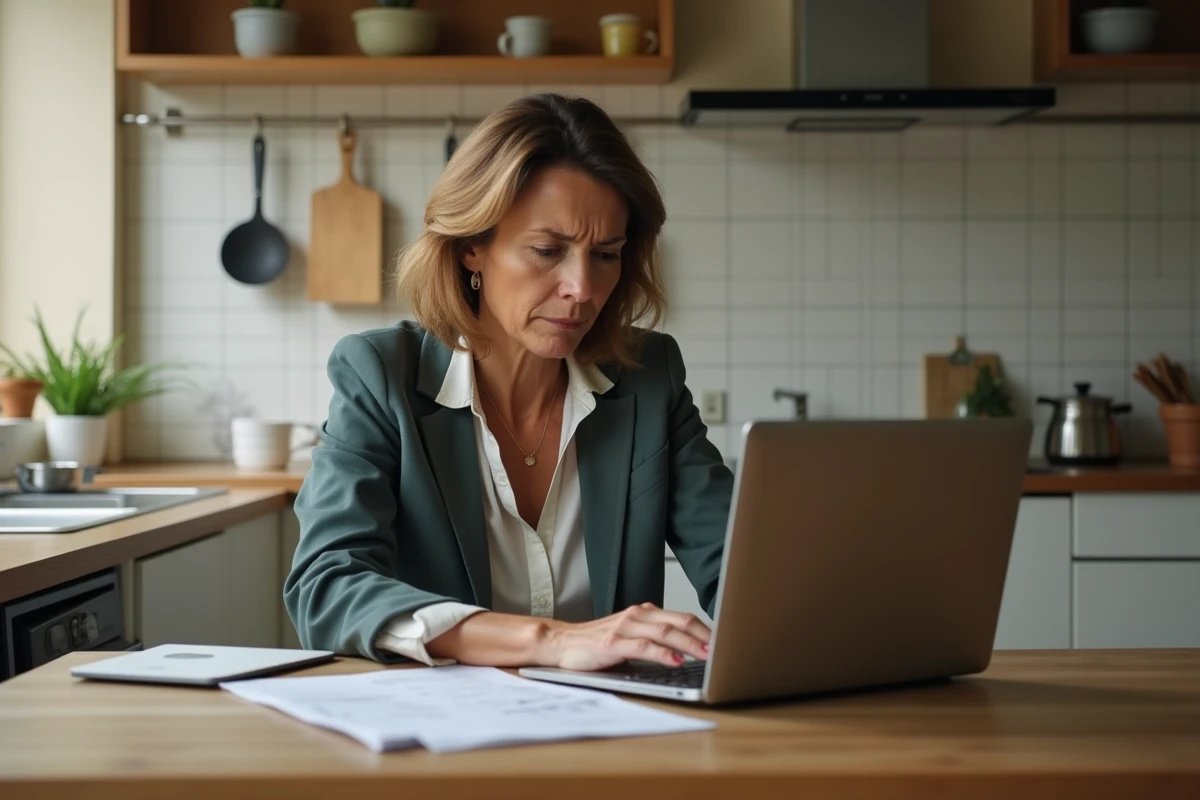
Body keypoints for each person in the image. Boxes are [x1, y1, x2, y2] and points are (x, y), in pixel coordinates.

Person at [284, 93, 733, 670]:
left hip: (615, 729)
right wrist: (550, 640)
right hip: (435, 734)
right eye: (548, 250)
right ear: (472, 247)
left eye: (606, 254)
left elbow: (738, 567)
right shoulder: (381, 375)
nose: (582, 287)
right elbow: (324, 588)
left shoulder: (649, 378)